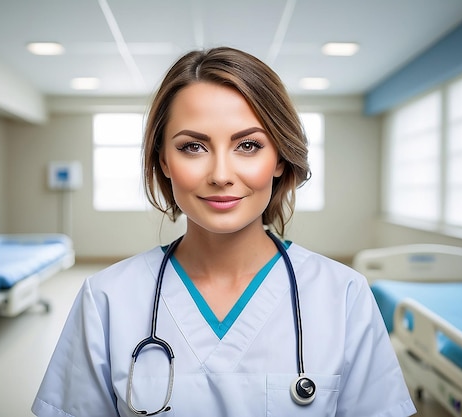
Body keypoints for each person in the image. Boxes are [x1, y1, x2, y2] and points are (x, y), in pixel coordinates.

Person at [32, 46, 416, 417]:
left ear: (280, 158)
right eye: (193, 147)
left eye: (248, 145)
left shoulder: (343, 295)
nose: (220, 175)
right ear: (163, 160)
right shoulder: (106, 299)